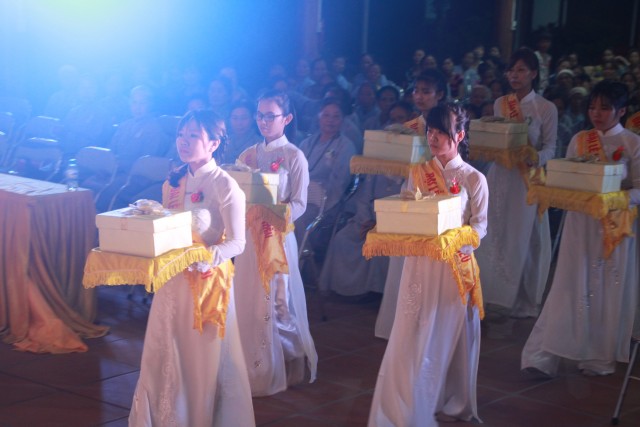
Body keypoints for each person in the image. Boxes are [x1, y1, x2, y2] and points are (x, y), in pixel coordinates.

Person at [129, 109, 255, 426]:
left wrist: (207, 257)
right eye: (181, 135)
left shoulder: (225, 185)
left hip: (206, 282)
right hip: (172, 279)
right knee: (163, 350)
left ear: (213, 143)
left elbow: (238, 242)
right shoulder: (174, 180)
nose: (184, 142)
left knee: (200, 358)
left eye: (193, 136)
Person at [369, 102, 489, 426]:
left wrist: (454, 239)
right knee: (413, 330)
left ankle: (453, 401)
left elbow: (480, 228)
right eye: (430, 131)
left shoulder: (474, 179)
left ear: (459, 135)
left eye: (441, 131)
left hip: (455, 267)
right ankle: (411, 400)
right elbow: (407, 212)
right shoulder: (418, 173)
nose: (433, 138)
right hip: (421, 265)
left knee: (453, 335)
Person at [522, 80, 640, 377]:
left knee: (606, 286)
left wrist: (613, 199)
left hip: (613, 227)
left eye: (605, 108)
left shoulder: (633, 143)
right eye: (592, 107)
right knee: (567, 283)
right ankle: (542, 356)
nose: (596, 114)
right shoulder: (580, 139)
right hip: (580, 223)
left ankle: (598, 356)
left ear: (621, 111)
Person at [233, 90, 318, 396]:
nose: (264, 121)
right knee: (248, 297)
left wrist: (274, 214)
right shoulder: (247, 155)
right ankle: (252, 360)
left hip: (277, 237)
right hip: (250, 237)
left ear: (287, 118)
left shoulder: (295, 156)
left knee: (279, 300)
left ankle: (291, 358)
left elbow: (300, 203)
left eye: (271, 116)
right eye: (260, 115)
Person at [476, 47, 557, 318]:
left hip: (526, 179)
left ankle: (519, 298)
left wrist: (536, 157)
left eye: (521, 70)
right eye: (511, 70)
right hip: (500, 175)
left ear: (533, 73)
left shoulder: (545, 108)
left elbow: (551, 147)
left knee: (522, 235)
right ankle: (490, 293)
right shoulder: (501, 103)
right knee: (494, 231)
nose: (514, 75)